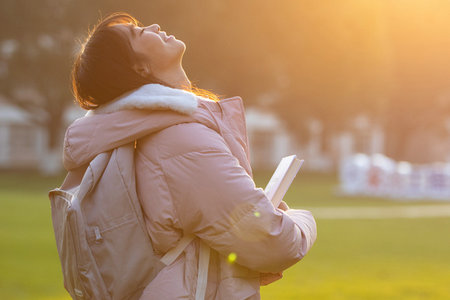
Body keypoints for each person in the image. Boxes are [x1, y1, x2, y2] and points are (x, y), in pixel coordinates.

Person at [66, 12, 316, 300]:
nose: (154, 26)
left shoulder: (145, 132)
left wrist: (243, 262)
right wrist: (301, 219)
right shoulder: (179, 139)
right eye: (138, 32)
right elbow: (272, 241)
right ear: (140, 67)